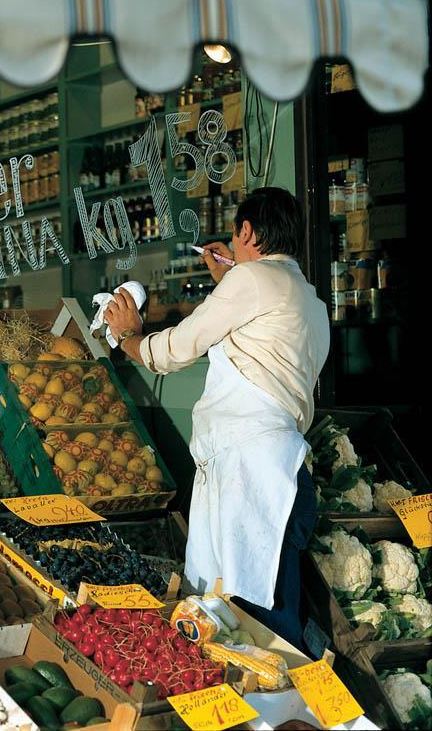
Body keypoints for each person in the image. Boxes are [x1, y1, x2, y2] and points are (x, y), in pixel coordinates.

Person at [103, 187, 330, 650]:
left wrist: (129, 336)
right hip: (280, 473)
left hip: (250, 475)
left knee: (249, 619)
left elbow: (174, 349)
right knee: (261, 611)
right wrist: (230, 279)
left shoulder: (251, 282)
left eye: (236, 232)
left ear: (247, 231)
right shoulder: (310, 299)